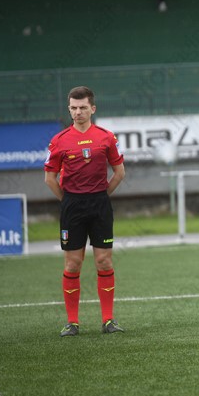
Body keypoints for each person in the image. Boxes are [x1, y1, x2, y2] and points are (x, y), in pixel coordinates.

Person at [44, 86, 126, 337]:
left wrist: (101, 196)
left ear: (93, 109)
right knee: (73, 264)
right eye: (73, 108)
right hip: (72, 206)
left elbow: (119, 172)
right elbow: (50, 178)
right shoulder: (59, 140)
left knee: (104, 261)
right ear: (69, 109)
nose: (77, 112)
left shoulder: (106, 137)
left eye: (82, 107)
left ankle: (108, 320)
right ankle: (72, 322)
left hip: (100, 204)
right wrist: (68, 200)